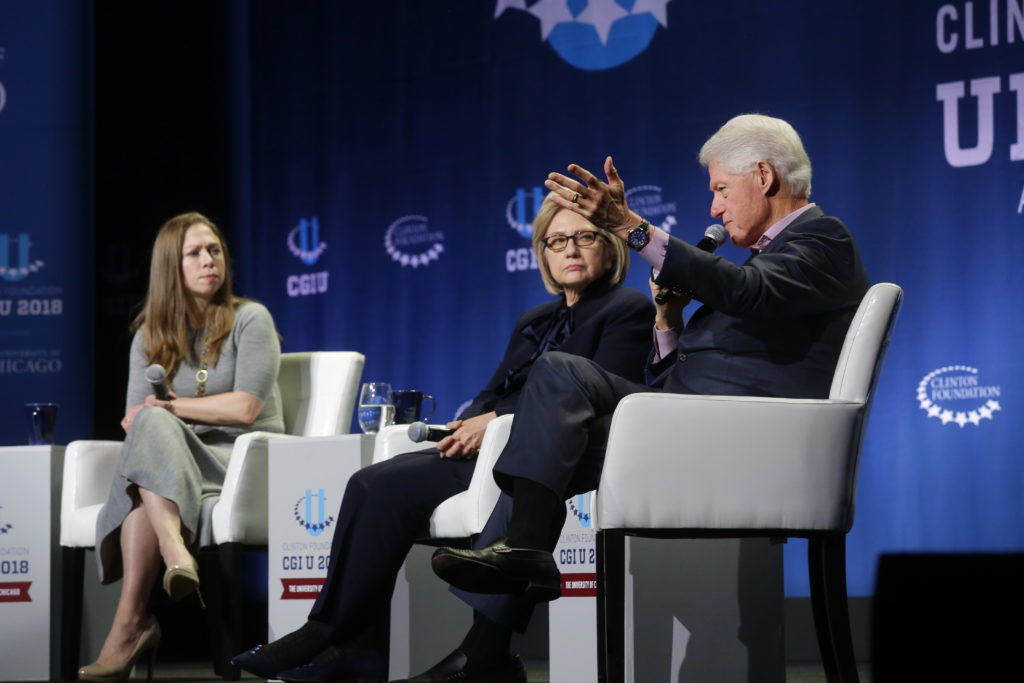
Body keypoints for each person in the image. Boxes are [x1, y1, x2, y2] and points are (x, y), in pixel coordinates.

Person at [428, 114, 871, 673]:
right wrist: (667, 315)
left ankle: (520, 570)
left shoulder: (822, 239)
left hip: (743, 440)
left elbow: (748, 292)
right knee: (550, 418)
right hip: (690, 420)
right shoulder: (770, 259)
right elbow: (676, 374)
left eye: (719, 190)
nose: (714, 208)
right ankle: (494, 635)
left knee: (561, 381)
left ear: (763, 175)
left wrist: (633, 228)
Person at [231, 194, 655, 683]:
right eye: (557, 241)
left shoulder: (627, 309)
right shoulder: (534, 320)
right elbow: (492, 390)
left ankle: (484, 655)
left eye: (584, 237)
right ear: (542, 252)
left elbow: (597, 397)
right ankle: (340, 639)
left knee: (480, 478)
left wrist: (491, 422)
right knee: (373, 485)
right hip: (485, 444)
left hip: (542, 451)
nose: (570, 250)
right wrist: (468, 423)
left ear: (609, 246)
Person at [79, 212, 284, 683]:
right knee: (149, 437)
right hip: (178, 459)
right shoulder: (148, 335)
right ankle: (162, 576)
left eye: (214, 250)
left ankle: (135, 618)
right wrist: (147, 416)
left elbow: (246, 408)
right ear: (171, 266)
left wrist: (170, 410)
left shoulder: (251, 319)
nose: (209, 260)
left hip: (243, 459)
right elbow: (137, 419)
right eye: (194, 253)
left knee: (146, 467)